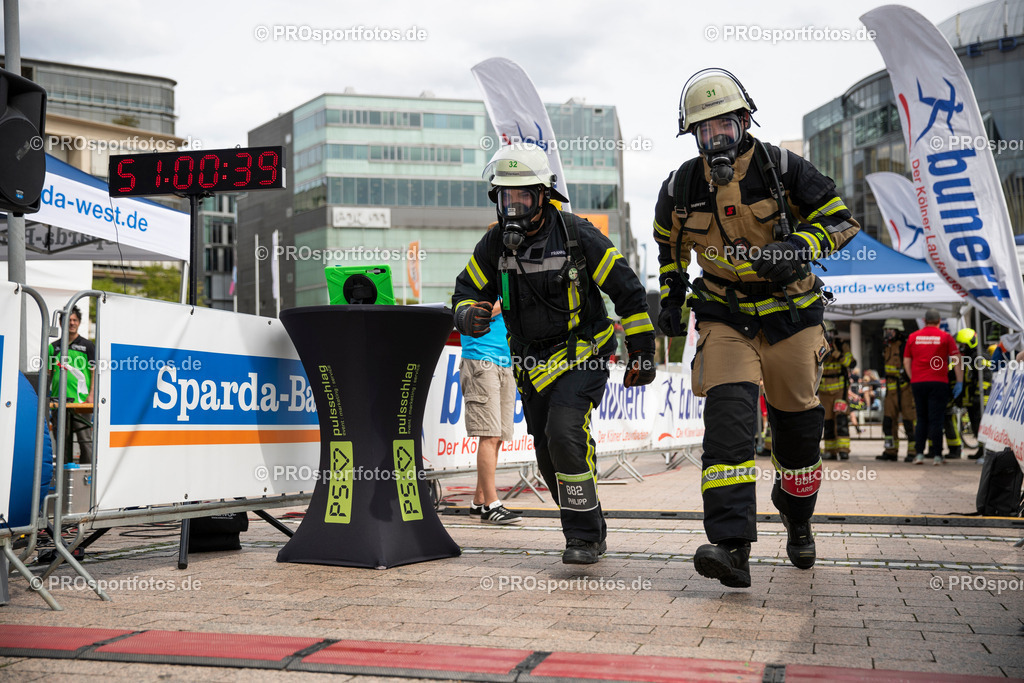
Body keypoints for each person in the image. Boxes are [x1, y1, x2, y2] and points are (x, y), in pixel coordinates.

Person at [653, 68, 860, 587]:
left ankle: (797, 514)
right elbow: (669, 250)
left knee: (797, 430)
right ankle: (731, 546)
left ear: (745, 121)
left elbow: (843, 220)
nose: (716, 139)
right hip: (725, 314)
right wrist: (673, 296)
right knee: (728, 420)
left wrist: (799, 247)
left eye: (725, 125)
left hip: (791, 313)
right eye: (705, 131)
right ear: (693, 136)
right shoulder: (680, 186)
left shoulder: (784, 168)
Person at [453, 143, 656, 565]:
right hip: (531, 364)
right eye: (507, 197)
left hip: (585, 352)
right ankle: (589, 525)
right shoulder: (495, 245)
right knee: (548, 453)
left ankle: (582, 538)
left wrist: (642, 351)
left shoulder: (577, 235)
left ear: (543, 195)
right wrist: (466, 314)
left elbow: (629, 292)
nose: (514, 207)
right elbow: (467, 291)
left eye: (523, 196)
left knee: (564, 432)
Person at [460, 298, 522, 525]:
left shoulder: (506, 273)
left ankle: (479, 500)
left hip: (506, 361)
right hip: (480, 358)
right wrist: (508, 297)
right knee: (489, 434)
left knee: (498, 437)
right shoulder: (477, 279)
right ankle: (491, 505)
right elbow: (473, 314)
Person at [904, 309, 962, 465]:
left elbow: (906, 361)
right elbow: (956, 359)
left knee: (921, 419)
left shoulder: (913, 337)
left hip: (918, 382)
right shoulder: (946, 337)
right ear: (939, 320)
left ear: (924, 320)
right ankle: (937, 456)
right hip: (938, 382)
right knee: (936, 420)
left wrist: (913, 377)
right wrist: (959, 380)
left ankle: (919, 454)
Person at [47, 305, 94, 464]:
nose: (72, 323)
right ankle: (62, 477)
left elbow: (94, 372)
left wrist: (91, 395)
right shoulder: (53, 347)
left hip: (81, 401)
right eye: (68, 320)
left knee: (85, 440)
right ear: (61, 323)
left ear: (79, 322)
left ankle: (86, 478)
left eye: (75, 320)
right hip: (59, 401)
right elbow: (49, 373)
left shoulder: (88, 346)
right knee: (61, 441)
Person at [947, 328, 991, 462]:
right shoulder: (969, 356)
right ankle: (981, 450)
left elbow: (986, 378)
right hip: (973, 400)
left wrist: (978, 396)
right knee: (976, 426)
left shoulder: (979, 357)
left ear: (970, 343)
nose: (961, 347)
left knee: (982, 426)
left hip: (981, 400)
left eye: (963, 345)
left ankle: (987, 453)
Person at [877, 319, 917, 462]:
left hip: (905, 388)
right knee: (888, 422)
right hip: (891, 389)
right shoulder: (887, 346)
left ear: (898, 332)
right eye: (886, 330)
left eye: (890, 330)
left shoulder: (905, 346)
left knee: (909, 422)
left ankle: (913, 452)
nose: (887, 333)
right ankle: (890, 451)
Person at [818, 321, 855, 460]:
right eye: (825, 333)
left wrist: (836, 353)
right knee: (827, 422)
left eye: (830, 333)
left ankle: (844, 450)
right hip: (824, 391)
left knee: (841, 420)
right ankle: (831, 451)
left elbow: (851, 363)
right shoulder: (817, 345)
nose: (828, 336)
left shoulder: (841, 345)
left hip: (840, 390)